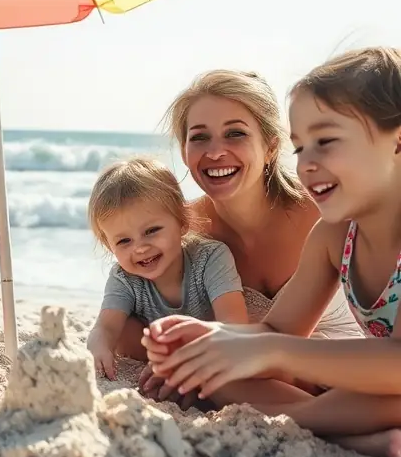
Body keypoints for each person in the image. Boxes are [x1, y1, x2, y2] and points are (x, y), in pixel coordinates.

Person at [145, 47, 401, 457]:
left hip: (385, 383)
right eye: (301, 148)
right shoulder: (335, 234)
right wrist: (213, 339)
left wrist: (269, 351)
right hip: (359, 384)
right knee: (212, 368)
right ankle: (350, 430)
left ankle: (317, 423)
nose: (307, 164)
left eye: (328, 141)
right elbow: (280, 331)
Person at [127, 69, 361, 406]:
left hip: (351, 369)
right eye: (199, 137)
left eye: (235, 134)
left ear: (270, 147)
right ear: (183, 150)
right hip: (258, 376)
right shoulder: (181, 231)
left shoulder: (326, 212)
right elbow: (133, 315)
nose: (216, 151)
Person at [86, 158, 247, 378]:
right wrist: (98, 347)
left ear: (182, 222)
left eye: (151, 231)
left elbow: (234, 325)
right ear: (109, 246)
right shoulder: (124, 278)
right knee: (121, 330)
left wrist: (177, 359)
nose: (141, 248)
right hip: (153, 352)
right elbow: (104, 328)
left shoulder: (210, 257)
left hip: (211, 348)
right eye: (124, 241)